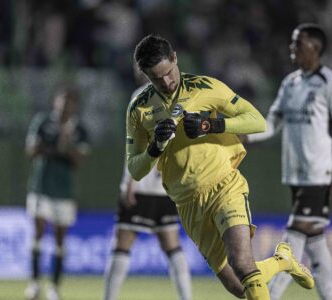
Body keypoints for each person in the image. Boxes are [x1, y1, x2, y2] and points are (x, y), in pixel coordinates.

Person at [126, 34, 315, 300]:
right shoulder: (139, 109)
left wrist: (210, 125)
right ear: (144, 75)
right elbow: (135, 168)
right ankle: (282, 261)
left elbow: (256, 120)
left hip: (223, 185)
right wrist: (155, 148)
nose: (166, 82)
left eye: (169, 72)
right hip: (188, 202)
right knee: (237, 287)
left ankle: (279, 262)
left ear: (175, 59)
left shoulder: (205, 87)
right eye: (156, 78)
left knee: (242, 264)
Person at [245, 23, 332, 300]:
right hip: (295, 173)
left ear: (314, 49)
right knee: (315, 243)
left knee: (292, 238)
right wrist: (249, 137)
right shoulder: (289, 83)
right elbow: (272, 123)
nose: (292, 48)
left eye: (298, 43)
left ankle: (270, 295)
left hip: (319, 173)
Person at [103, 68, 192, 300]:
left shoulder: (141, 96)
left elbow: (135, 142)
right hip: (166, 184)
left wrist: (128, 181)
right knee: (172, 245)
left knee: (122, 243)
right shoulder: (179, 97)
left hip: (141, 183)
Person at [24, 87, 90, 300]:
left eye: (70, 102)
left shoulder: (80, 129)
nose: (65, 106)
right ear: (55, 102)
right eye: (62, 101)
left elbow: (78, 161)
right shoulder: (43, 122)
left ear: (75, 106)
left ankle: (54, 286)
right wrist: (61, 150)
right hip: (41, 187)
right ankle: (34, 283)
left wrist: (57, 147)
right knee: (38, 232)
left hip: (65, 191)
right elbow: (32, 150)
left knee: (60, 239)